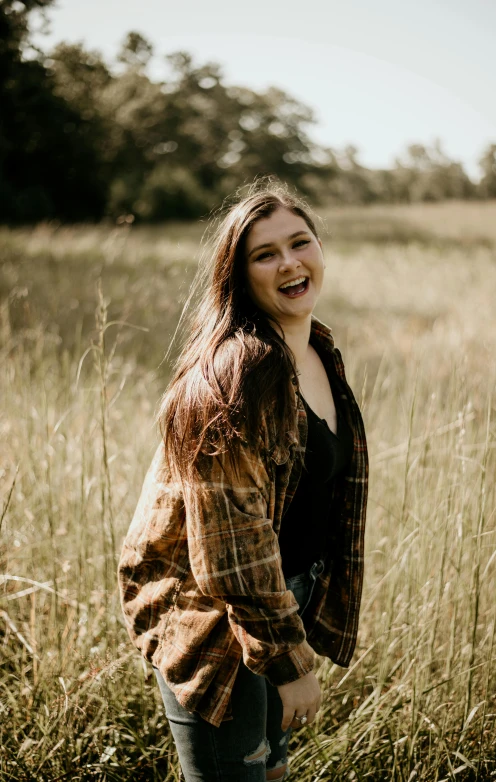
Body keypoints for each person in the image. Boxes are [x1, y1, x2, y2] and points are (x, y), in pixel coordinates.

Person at [117, 180, 369, 781]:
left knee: (272, 770)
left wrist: (297, 623)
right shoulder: (239, 374)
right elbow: (230, 553)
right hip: (214, 618)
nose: (289, 263)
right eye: (265, 254)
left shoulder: (317, 351)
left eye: (300, 242)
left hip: (284, 599)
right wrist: (291, 662)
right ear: (240, 274)